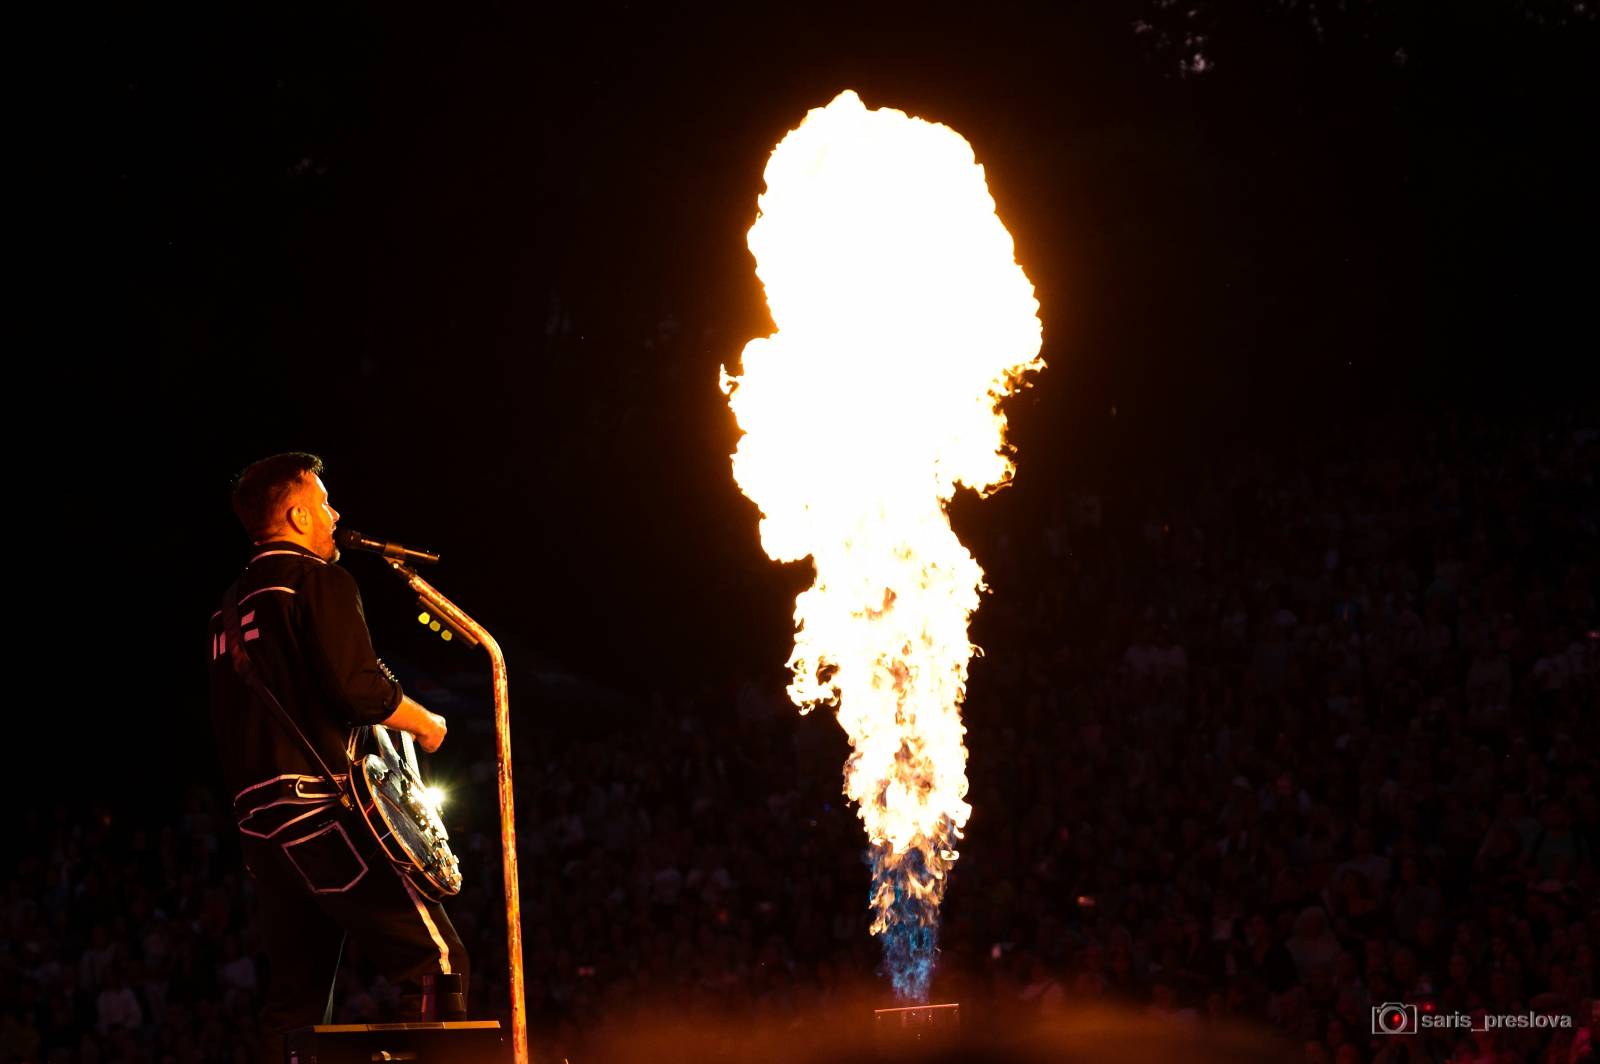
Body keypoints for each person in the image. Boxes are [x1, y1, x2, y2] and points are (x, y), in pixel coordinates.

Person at [207, 452, 468, 1062]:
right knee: (437, 963)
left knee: (294, 1005)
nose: (335, 514)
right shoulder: (316, 580)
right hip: (318, 813)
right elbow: (360, 690)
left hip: (260, 833)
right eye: (324, 503)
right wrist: (426, 724)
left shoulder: (226, 608)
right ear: (297, 514)